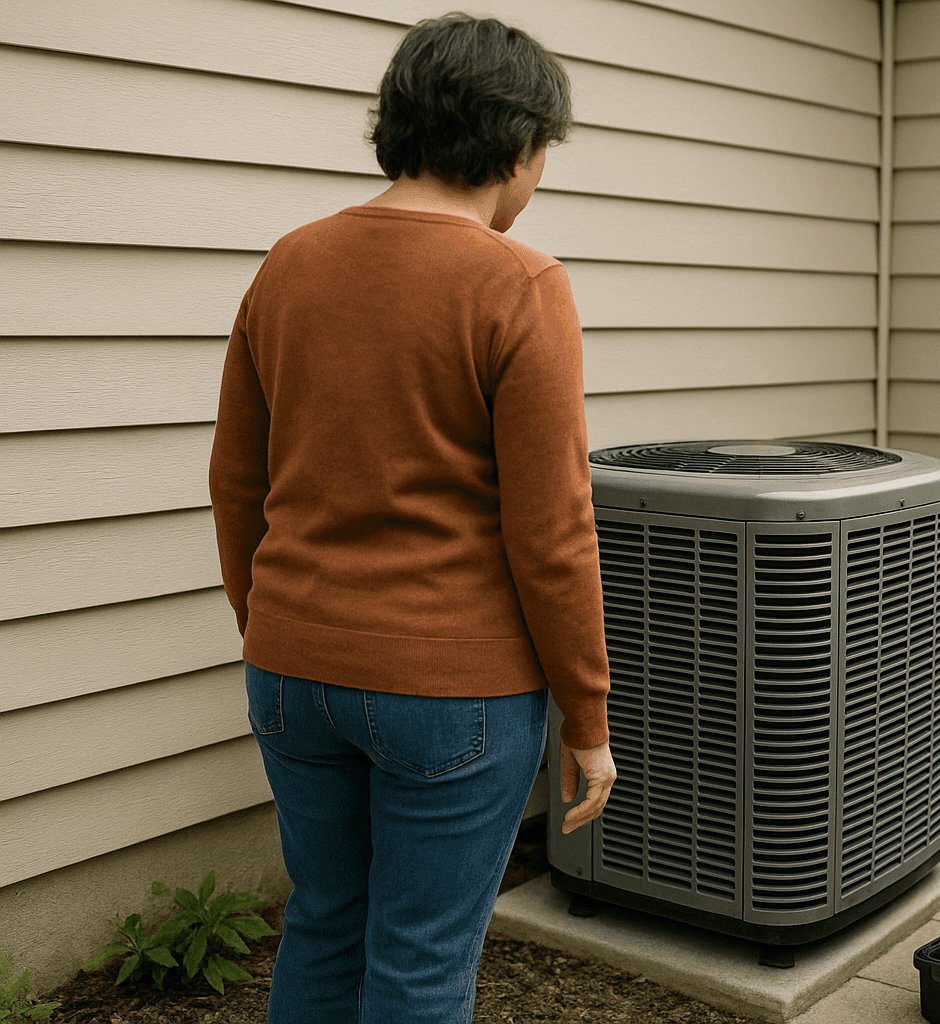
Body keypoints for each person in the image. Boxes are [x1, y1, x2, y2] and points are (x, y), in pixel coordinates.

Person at [208, 15, 616, 1023]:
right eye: (545, 153)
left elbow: (235, 484)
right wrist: (590, 717)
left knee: (325, 918)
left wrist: (276, 628)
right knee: (422, 961)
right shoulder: (518, 284)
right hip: (453, 685)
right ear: (516, 145)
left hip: (292, 667)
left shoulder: (289, 264)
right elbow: (552, 531)